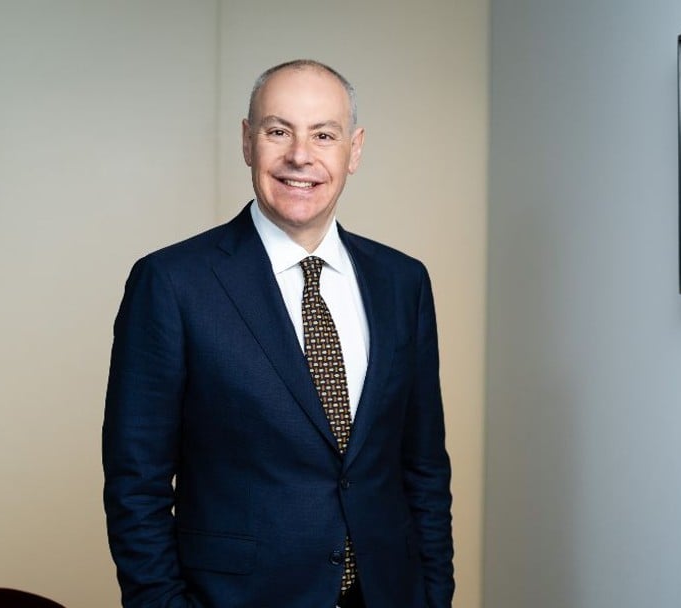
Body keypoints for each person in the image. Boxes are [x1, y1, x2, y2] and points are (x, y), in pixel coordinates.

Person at [102, 59, 454, 608]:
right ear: (248, 142)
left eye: (324, 135)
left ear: (355, 149)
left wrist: (433, 595)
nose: (300, 156)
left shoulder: (402, 282)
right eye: (278, 131)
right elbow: (135, 483)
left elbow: (424, 466)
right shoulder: (172, 283)